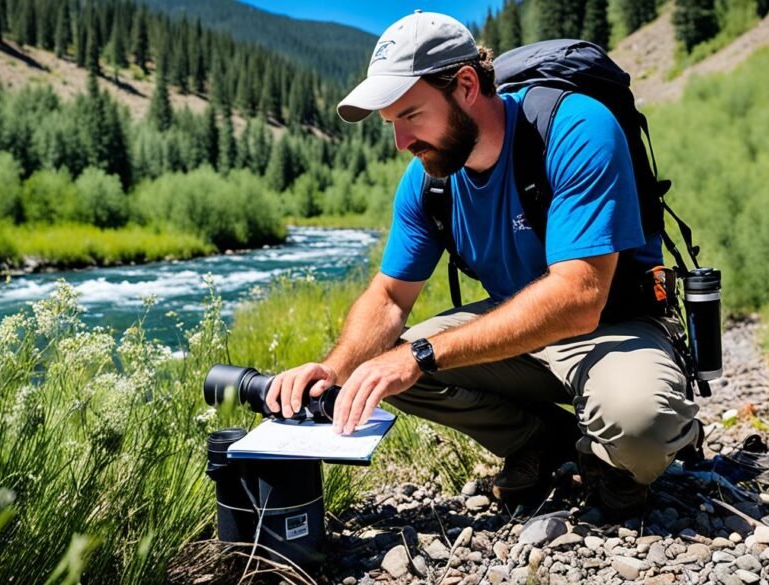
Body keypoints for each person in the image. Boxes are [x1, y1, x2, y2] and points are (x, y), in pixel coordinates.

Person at [265, 10, 702, 519]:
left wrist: (423, 354)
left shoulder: (575, 128)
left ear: (467, 84)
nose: (402, 143)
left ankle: (613, 462)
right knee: (377, 366)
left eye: (411, 116)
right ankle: (544, 445)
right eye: (391, 125)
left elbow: (580, 298)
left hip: (614, 324)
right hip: (516, 334)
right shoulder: (428, 181)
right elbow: (388, 297)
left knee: (641, 424)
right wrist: (333, 370)